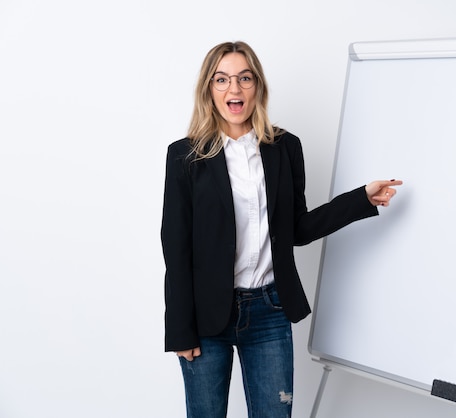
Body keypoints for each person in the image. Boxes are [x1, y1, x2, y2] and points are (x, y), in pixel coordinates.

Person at [161, 40, 402, 418]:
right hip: (206, 316)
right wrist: (179, 329)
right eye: (221, 79)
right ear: (209, 89)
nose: (234, 89)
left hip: (268, 311)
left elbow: (298, 228)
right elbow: (175, 247)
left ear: (258, 85)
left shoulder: (285, 147)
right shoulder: (185, 155)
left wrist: (360, 200)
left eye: (244, 78)